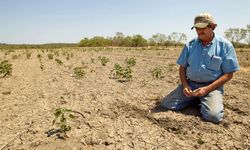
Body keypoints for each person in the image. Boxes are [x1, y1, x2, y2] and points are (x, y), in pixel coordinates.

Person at [161, 12, 240, 123]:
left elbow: (229, 74)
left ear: (212, 26)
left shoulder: (225, 46)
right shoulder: (190, 45)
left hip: (211, 88)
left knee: (213, 116)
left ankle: (204, 100)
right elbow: (182, 68)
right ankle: (195, 99)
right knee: (166, 104)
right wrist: (185, 85)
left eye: (203, 27)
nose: (199, 31)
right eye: (197, 28)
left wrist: (206, 90)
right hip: (190, 85)